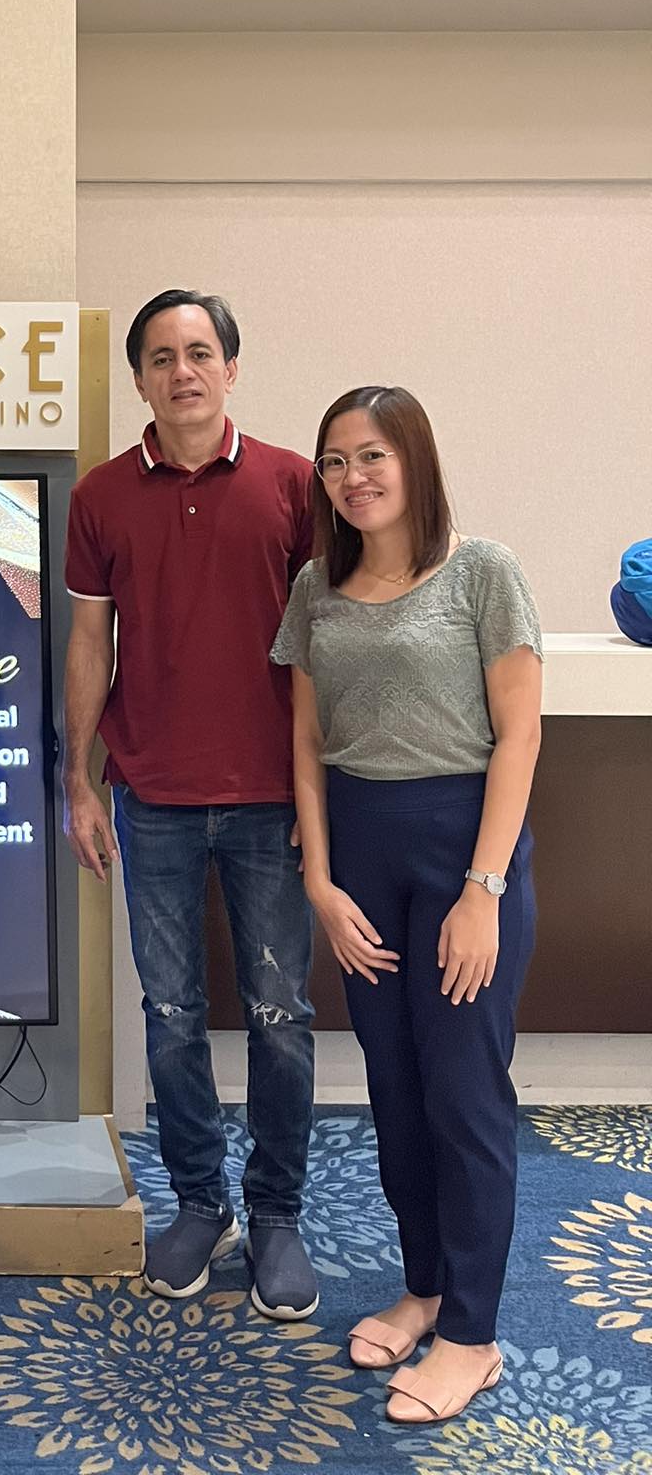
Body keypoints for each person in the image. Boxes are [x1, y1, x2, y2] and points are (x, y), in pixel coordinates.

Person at [272, 385, 541, 1425]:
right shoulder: (317, 585)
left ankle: (471, 1334)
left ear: (415, 459)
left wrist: (484, 889)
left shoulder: (484, 571)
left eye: (373, 455)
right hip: (362, 856)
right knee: (394, 1087)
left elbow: (519, 736)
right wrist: (320, 881)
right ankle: (424, 1286)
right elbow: (306, 742)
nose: (353, 477)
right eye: (334, 461)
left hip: (465, 851)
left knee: (464, 1094)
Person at [63, 290, 319, 1319]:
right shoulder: (100, 496)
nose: (183, 371)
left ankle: (277, 1213)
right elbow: (90, 642)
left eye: (201, 352)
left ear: (232, 368)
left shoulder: (294, 484)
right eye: (162, 357)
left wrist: (321, 788)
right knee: (170, 1017)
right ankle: (199, 1204)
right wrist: (77, 777)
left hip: (271, 798)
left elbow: (329, 643)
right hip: (153, 796)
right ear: (139, 379)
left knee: (281, 1018)